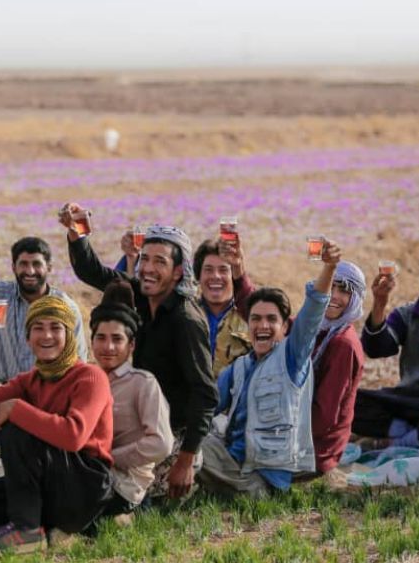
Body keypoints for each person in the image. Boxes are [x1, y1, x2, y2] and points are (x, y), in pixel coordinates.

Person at [0, 297, 113, 555]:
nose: (47, 335)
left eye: (55, 327)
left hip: (82, 486)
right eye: (38, 328)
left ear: (69, 335)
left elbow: (74, 436)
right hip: (43, 487)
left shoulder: (90, 377)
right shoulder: (31, 380)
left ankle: (26, 530)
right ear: (28, 339)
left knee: (17, 428)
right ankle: (43, 525)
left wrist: (17, 409)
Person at [61, 204, 218, 499]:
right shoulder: (144, 295)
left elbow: (205, 393)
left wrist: (185, 460)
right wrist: (77, 231)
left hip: (171, 436)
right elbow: (91, 271)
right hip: (140, 420)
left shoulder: (185, 321)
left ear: (178, 272)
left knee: (124, 491)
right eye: (145, 259)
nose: (147, 268)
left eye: (160, 262)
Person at [197, 242, 338, 498]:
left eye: (271, 319)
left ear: (285, 328)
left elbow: (313, 311)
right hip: (234, 460)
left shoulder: (291, 360)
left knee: (192, 453)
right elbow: (207, 406)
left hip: (261, 480)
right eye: (255, 319)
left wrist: (329, 267)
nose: (263, 325)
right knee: (186, 440)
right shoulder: (239, 368)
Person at [0, 220, 87, 450]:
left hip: (49, 397)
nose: (30, 271)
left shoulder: (65, 306)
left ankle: (19, 438)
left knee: (23, 431)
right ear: (14, 267)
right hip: (8, 390)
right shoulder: (3, 296)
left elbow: (80, 360)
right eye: (23, 264)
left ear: (49, 268)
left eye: (37, 264)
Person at [352, 243, 419, 453]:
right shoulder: (407, 315)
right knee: (347, 402)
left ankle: (390, 444)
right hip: (406, 400)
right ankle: (412, 434)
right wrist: (380, 302)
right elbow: (376, 349)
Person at [89, 280, 174, 517]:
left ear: (131, 345)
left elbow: (161, 443)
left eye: (117, 339)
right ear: (92, 341)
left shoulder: (142, 383)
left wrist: (111, 458)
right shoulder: (86, 380)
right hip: (90, 472)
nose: (108, 347)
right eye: (101, 338)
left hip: (124, 486)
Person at [310, 261, 366, 472]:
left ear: (356, 298)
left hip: (316, 451)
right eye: (330, 286)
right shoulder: (316, 327)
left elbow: (324, 418)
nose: (333, 295)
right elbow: (278, 324)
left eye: (344, 290)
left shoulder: (343, 344)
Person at [192, 238, 255, 375]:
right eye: (208, 270)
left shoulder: (249, 315)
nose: (216, 276)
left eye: (223, 270)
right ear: (198, 276)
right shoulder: (187, 313)